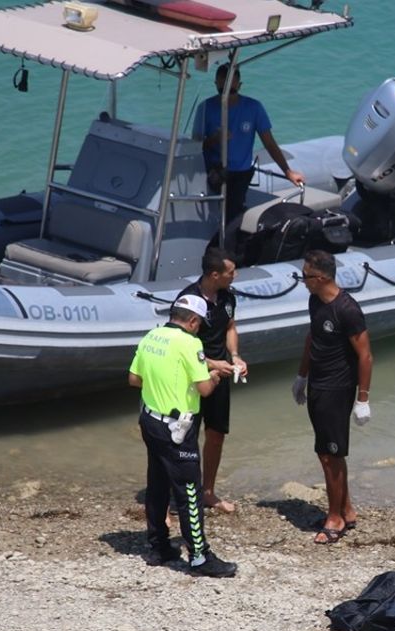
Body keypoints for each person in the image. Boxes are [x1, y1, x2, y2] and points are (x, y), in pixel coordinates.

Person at [127, 294, 238, 578]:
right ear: (192, 321)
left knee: (157, 482)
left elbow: (134, 379)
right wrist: (214, 376)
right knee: (190, 490)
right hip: (177, 428)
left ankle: (159, 546)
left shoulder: (152, 336)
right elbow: (203, 390)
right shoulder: (190, 343)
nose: (199, 328)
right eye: (199, 323)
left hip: (150, 420)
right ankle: (200, 557)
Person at [291, 249, 372, 544]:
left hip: (338, 389)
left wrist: (362, 399)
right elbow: (312, 337)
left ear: (321, 277)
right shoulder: (315, 301)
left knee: (331, 455)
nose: (303, 281)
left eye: (306, 276)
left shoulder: (347, 309)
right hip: (318, 386)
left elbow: (365, 356)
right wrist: (302, 375)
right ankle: (346, 510)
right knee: (326, 452)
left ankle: (335, 518)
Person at [193, 63, 306, 226]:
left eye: (231, 87)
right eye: (222, 86)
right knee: (221, 205)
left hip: (241, 172)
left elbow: (269, 143)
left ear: (239, 85)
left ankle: (230, 239)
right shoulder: (205, 108)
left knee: (233, 210)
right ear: (216, 83)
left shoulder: (253, 108)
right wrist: (215, 139)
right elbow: (195, 146)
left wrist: (287, 172)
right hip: (213, 169)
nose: (227, 93)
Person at [179, 246, 246, 514]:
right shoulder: (188, 300)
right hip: (192, 378)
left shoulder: (227, 297)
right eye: (231, 272)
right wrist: (211, 363)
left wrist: (235, 356)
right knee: (186, 436)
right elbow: (180, 348)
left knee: (216, 433)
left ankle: (208, 491)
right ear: (214, 274)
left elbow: (230, 327)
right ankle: (185, 493)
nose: (235, 275)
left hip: (220, 375)